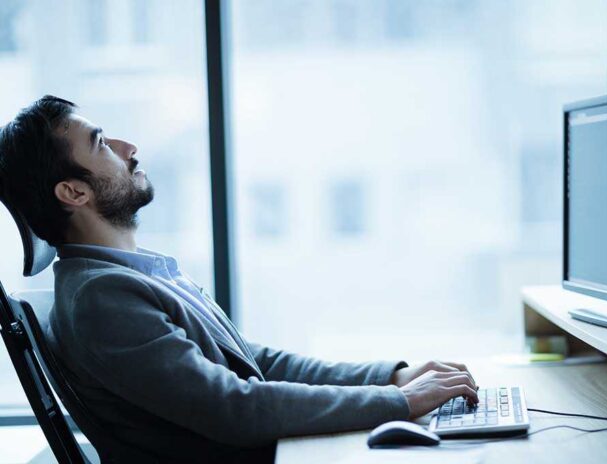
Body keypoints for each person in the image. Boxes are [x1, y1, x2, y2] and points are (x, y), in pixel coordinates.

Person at [0, 96, 478, 463]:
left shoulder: (127, 273)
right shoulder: (101, 298)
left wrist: (390, 379)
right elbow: (233, 407)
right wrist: (395, 402)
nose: (128, 148)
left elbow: (254, 362)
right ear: (73, 191)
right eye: (101, 142)